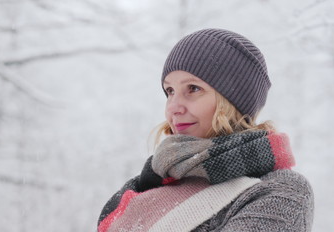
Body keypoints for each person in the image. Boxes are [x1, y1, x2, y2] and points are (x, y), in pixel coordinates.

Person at [97, 28, 314, 232]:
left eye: (193, 88)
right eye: (170, 91)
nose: (173, 107)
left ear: (233, 101)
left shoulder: (280, 191)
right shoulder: (148, 184)